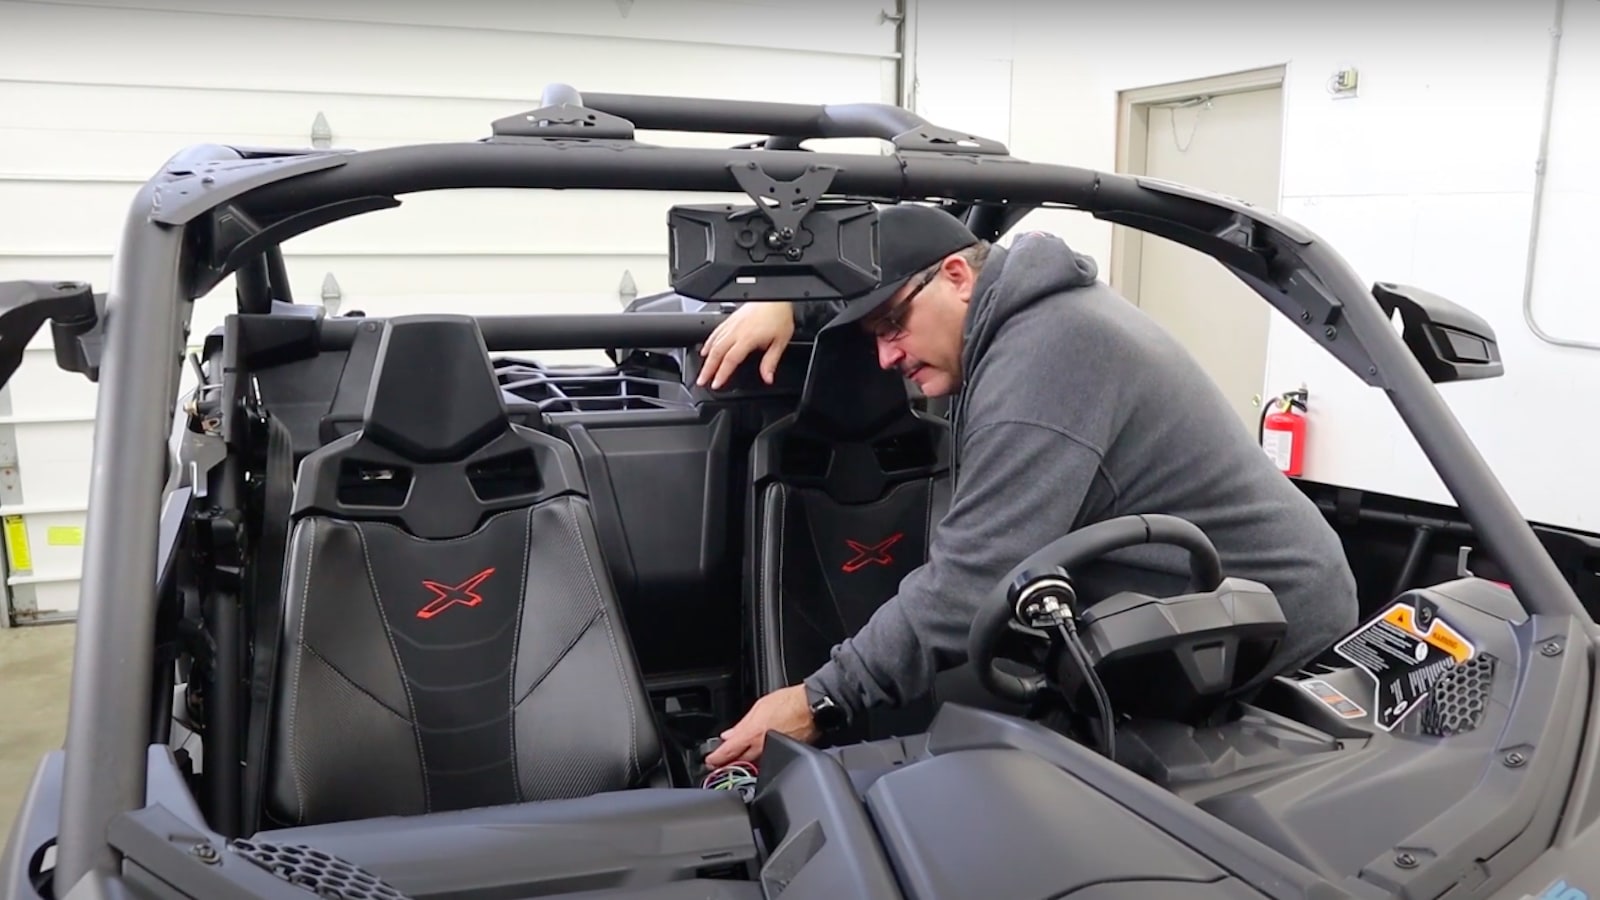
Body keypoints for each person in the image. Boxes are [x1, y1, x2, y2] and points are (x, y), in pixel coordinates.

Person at [699, 203, 1359, 768]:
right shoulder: (1022, 313)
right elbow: (891, 275)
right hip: (1186, 616)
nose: (886, 356)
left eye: (892, 326)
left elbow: (967, 583)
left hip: (1262, 631)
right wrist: (788, 303)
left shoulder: (1046, 359)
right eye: (875, 334)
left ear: (957, 276)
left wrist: (819, 699)